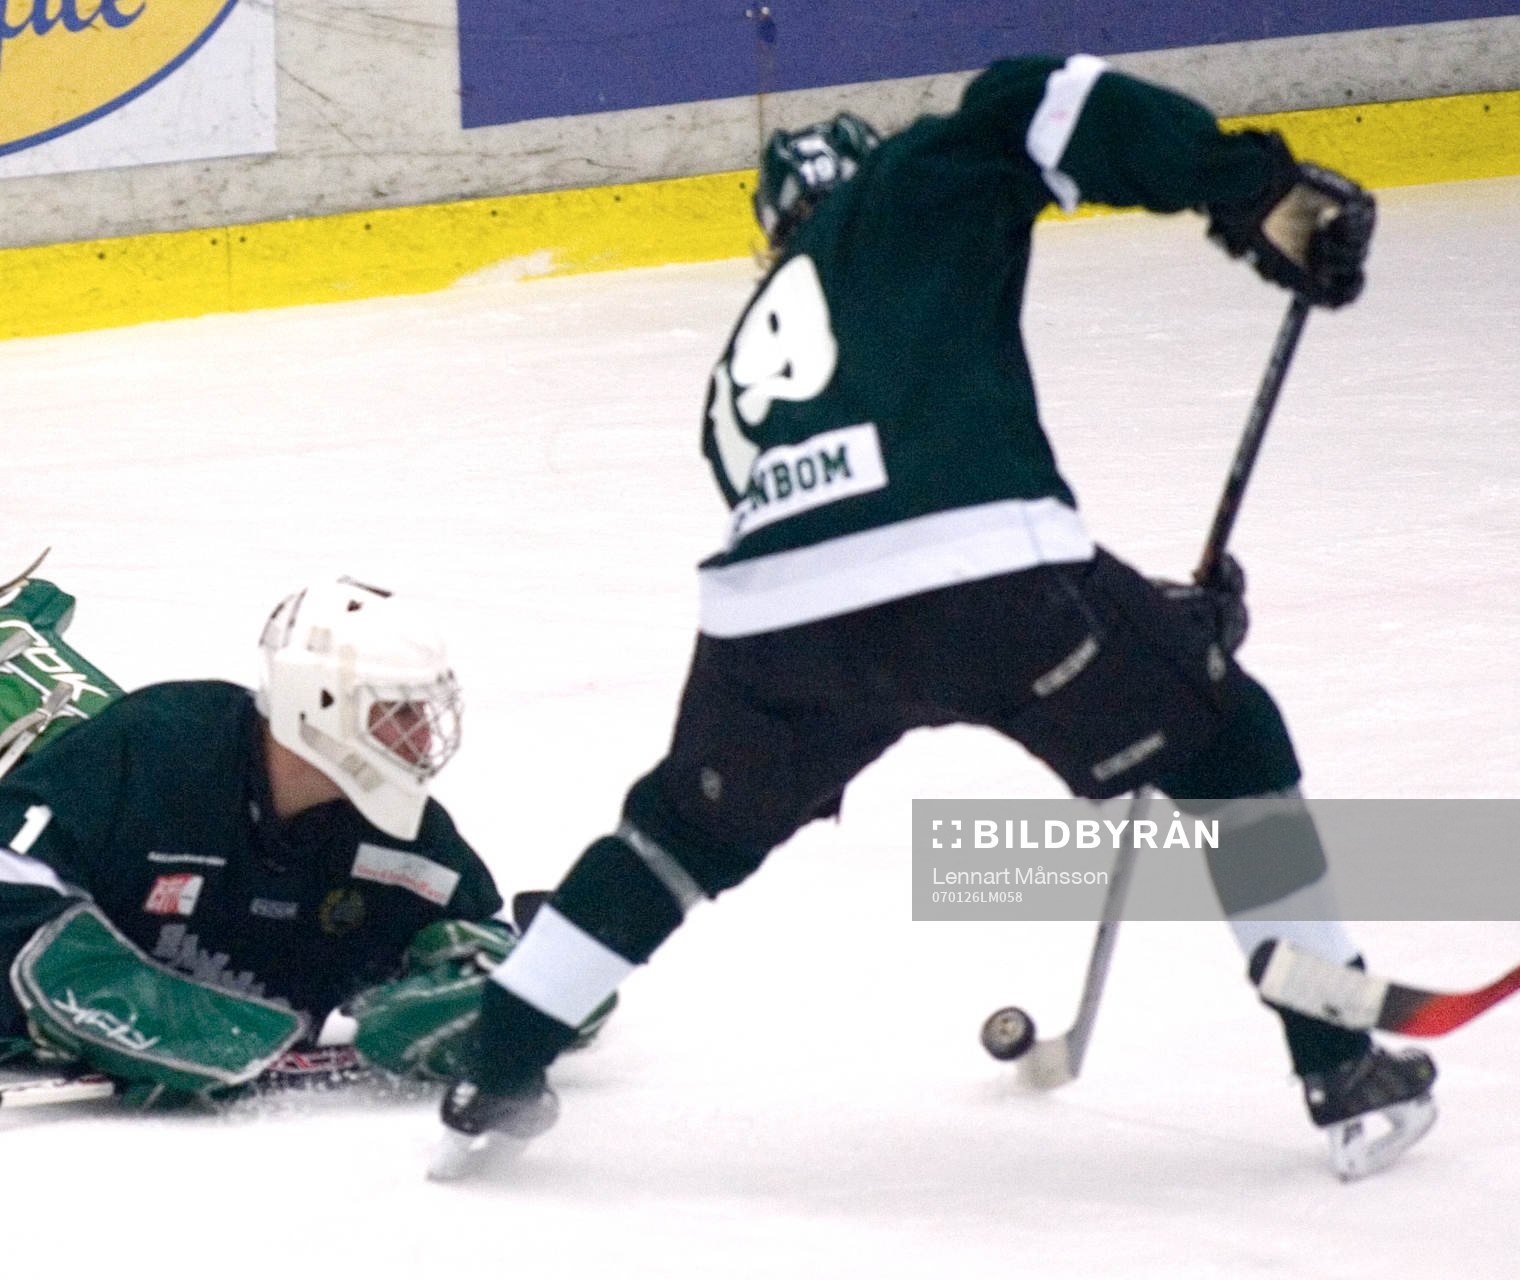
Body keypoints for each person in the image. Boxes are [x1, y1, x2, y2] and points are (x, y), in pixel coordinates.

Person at [439, 53, 1435, 1179]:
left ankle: (496, 1060)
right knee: (1227, 739)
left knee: (676, 833)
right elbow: (1041, 96)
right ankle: (1339, 1064)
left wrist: (1147, 626)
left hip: (773, 630)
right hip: (981, 582)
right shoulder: (914, 179)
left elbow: (867, 567)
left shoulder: (738, 374)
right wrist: (1255, 186)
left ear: (771, 236)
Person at [0, 573, 603, 1107]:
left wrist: (497, 1000)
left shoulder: (398, 833)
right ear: (315, 702)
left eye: (424, 714)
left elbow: (492, 945)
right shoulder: (158, 747)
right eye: (399, 713)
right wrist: (142, 1013)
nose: (422, 741)